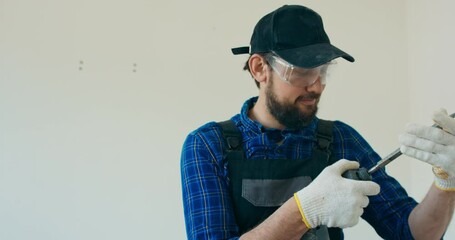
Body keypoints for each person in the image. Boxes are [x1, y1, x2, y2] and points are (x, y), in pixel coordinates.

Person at [180, 4, 455, 240]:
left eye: (323, 71)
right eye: (301, 71)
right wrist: (305, 210)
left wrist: (447, 182)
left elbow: (413, 233)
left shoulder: (340, 139)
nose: (316, 86)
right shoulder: (208, 146)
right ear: (259, 68)